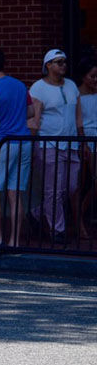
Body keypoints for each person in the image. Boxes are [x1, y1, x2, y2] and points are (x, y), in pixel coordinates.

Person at [0, 48, 34, 247]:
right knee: (15, 193)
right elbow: (30, 112)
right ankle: (15, 241)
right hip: (24, 142)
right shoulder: (20, 85)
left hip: (2, 144)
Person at [29, 49, 81, 245]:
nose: (63, 65)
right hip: (49, 144)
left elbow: (78, 115)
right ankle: (56, 229)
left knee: (71, 186)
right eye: (58, 62)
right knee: (53, 189)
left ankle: (36, 213)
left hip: (71, 143)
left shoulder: (71, 86)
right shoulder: (38, 88)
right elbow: (34, 119)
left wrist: (81, 138)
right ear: (48, 65)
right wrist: (32, 145)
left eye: (65, 62)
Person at [73, 58, 97, 241]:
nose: (95, 79)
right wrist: (83, 142)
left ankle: (80, 213)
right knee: (80, 182)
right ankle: (78, 220)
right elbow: (78, 120)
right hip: (86, 138)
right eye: (92, 76)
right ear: (84, 76)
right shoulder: (77, 95)